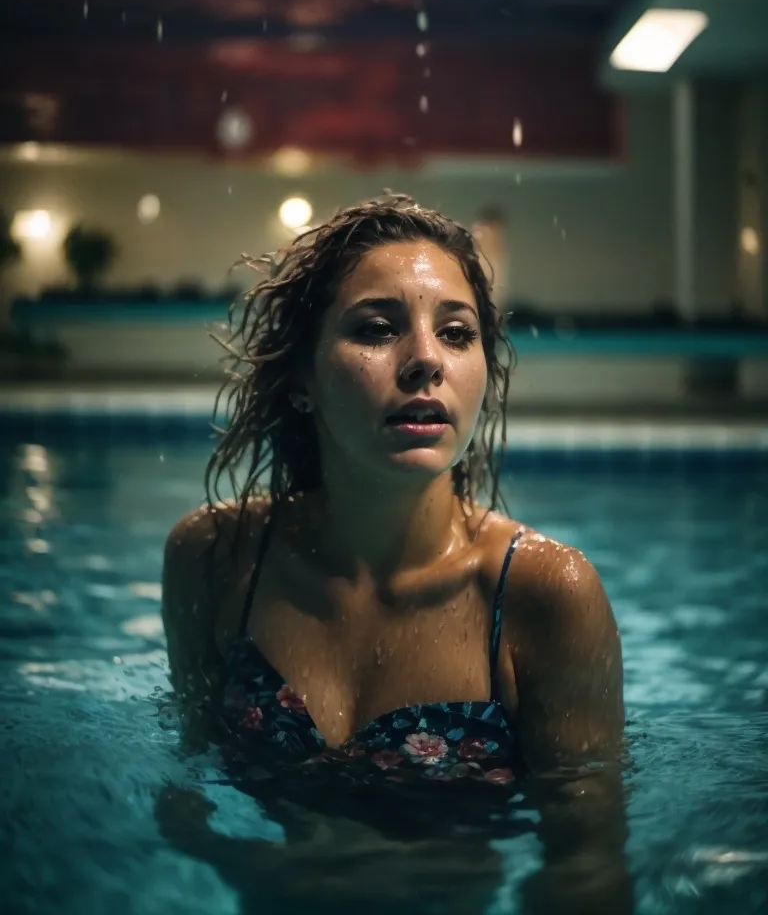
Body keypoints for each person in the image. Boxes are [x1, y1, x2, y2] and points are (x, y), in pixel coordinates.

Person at [161, 191, 632, 912]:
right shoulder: (215, 559)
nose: (424, 362)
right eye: (378, 330)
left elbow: (585, 869)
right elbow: (186, 793)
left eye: (456, 333)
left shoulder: (545, 596)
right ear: (303, 380)